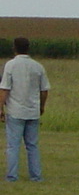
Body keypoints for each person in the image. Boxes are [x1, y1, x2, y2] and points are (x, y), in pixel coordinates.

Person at [2, 37, 50, 183]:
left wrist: (1, 108)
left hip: (15, 111)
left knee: (13, 146)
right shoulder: (38, 66)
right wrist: (41, 106)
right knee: (32, 146)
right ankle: (36, 176)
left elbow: (4, 89)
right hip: (32, 112)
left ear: (14, 48)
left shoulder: (10, 66)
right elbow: (44, 90)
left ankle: (12, 176)